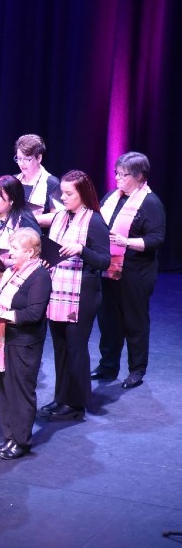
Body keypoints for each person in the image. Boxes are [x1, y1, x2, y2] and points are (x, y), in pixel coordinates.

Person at [38, 170, 110, 420]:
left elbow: (104, 261)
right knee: (60, 348)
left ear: (83, 194)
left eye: (70, 194)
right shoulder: (60, 217)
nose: (64, 198)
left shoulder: (94, 221)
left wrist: (81, 250)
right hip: (57, 290)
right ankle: (61, 398)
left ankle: (77, 402)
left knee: (75, 347)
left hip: (82, 293)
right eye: (63, 193)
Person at [93, 152, 166, 389]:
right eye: (116, 173)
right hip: (108, 268)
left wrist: (126, 242)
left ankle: (136, 370)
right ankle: (108, 365)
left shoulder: (150, 203)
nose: (117, 179)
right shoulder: (112, 197)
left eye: (123, 175)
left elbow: (156, 239)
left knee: (134, 322)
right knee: (108, 321)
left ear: (139, 176)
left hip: (136, 272)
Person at [0, 228, 51, 460]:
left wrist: (3, 315)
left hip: (23, 342)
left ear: (30, 252)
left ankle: (22, 441)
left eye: (15, 249)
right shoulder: (12, 271)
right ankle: (9, 437)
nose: (10, 252)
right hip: (3, 337)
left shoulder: (40, 276)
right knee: (3, 389)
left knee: (20, 391)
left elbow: (34, 314)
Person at [13, 134, 61, 223]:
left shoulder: (52, 183)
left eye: (26, 159)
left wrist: (26, 220)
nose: (21, 163)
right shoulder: (14, 180)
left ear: (39, 158)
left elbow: (58, 217)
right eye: (19, 158)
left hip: (36, 234)